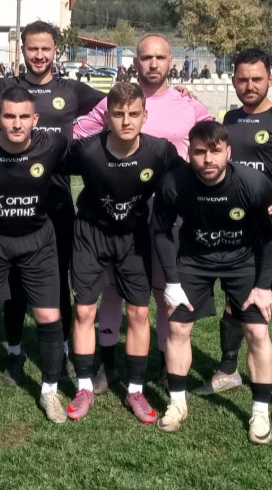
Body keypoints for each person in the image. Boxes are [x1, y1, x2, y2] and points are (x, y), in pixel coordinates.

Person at [0, 21, 107, 390]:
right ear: (22, 49)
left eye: (46, 49)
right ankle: (13, 351)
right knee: (12, 285)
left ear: (56, 50)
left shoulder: (71, 91)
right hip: (8, 206)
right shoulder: (4, 89)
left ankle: (67, 351)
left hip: (56, 204)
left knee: (58, 283)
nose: (39, 55)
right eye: (32, 48)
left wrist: (168, 93)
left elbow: (119, 104)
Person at [74, 34, 211, 393]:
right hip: (120, 218)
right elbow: (78, 133)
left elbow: (212, 144)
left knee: (165, 292)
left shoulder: (188, 104)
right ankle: (106, 365)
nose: (153, 63)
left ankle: (167, 365)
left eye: (160, 57)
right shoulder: (117, 102)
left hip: (168, 219)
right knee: (112, 291)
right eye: (146, 57)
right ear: (135, 62)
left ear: (170, 62)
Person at [200, 48, 272, 425]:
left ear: (270, 78)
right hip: (238, 230)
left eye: (256, 78)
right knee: (235, 304)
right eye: (242, 79)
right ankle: (228, 371)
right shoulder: (229, 120)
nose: (249, 85)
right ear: (233, 81)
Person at [152, 120, 272, 445]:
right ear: (189, 153)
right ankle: (178, 404)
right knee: (177, 328)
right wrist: (172, 281)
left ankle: (260, 412)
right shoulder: (174, 183)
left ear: (228, 152)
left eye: (215, 151)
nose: (208, 159)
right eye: (199, 152)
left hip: (242, 261)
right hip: (194, 260)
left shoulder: (253, 183)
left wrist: (263, 286)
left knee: (257, 331)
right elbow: (161, 231)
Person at [62, 83, 181, 423]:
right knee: (84, 311)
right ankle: (84, 387)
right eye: (118, 114)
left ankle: (135, 390)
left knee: (139, 314)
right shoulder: (87, 150)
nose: (126, 121)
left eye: (133, 114)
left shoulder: (160, 151)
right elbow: (45, 164)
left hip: (133, 238)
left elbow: (188, 180)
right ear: (107, 117)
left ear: (145, 115)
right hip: (90, 235)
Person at [0, 87, 71, 423]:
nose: (16, 124)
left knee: (49, 317)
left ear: (35, 119)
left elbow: (95, 154)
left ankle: (49, 391)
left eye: (23, 117)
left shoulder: (53, 144)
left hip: (38, 241)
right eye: (9, 116)